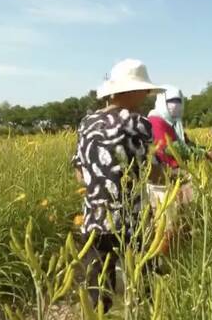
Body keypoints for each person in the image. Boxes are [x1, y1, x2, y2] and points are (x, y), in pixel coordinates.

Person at [71, 59, 164, 312]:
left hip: (94, 220)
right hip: (131, 221)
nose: (146, 95)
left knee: (97, 291)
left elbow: (80, 174)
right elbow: (154, 172)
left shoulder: (86, 123)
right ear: (131, 90)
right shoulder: (138, 123)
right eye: (144, 89)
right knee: (143, 284)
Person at [148, 85, 212, 168]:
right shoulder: (155, 121)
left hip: (179, 168)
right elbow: (169, 148)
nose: (175, 104)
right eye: (171, 101)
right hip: (167, 171)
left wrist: (210, 150)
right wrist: (205, 154)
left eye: (178, 101)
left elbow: (186, 144)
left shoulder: (173, 124)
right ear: (161, 102)